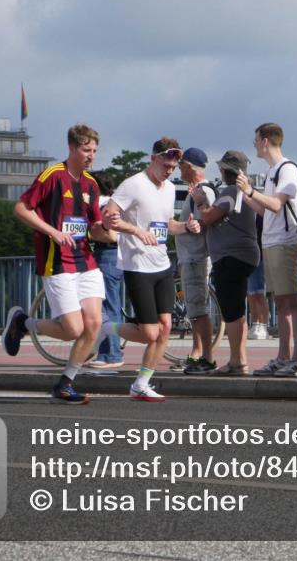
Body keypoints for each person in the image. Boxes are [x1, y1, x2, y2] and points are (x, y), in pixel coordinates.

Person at [3, 124, 111, 405]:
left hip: (86, 261)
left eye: (95, 150)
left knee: (94, 324)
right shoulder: (52, 176)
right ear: (73, 148)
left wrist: (108, 230)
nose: (91, 155)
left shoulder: (91, 184)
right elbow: (20, 209)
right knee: (73, 330)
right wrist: (52, 231)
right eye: (86, 149)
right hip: (57, 261)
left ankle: (65, 384)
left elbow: (95, 227)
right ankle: (23, 322)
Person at [101, 138, 200, 401]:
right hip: (137, 265)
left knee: (165, 326)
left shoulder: (169, 189)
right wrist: (135, 230)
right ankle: (104, 327)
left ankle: (141, 383)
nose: (169, 170)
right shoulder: (133, 185)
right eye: (166, 165)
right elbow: (108, 218)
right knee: (149, 333)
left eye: (174, 166)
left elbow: (168, 225)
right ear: (153, 158)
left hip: (161, 264)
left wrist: (187, 227)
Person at [237, 123, 297, 377]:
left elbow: (276, 205)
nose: (254, 144)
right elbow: (265, 211)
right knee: (282, 301)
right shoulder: (272, 171)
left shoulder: (287, 171)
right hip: (271, 240)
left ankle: (295, 358)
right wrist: (247, 196)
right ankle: (284, 356)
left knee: (291, 300)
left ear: (265, 141)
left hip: (284, 241)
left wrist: (251, 191)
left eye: (256, 140)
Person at [194, 150, 260, 375]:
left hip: (231, 256)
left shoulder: (231, 191)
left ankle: (236, 361)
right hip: (245, 255)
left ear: (227, 170)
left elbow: (209, 217)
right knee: (238, 311)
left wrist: (202, 203)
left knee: (231, 312)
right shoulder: (247, 191)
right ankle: (239, 359)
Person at [173, 148, 218, 374]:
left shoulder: (203, 191)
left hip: (196, 257)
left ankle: (206, 357)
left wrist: (192, 227)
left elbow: (206, 221)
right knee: (195, 310)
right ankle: (198, 353)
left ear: (190, 167)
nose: (178, 169)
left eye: (181, 165)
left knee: (199, 310)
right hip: (192, 257)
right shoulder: (197, 190)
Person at [88, 170, 124, 369]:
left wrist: (88, 235)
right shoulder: (115, 202)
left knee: (107, 306)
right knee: (111, 304)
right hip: (120, 256)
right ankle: (110, 349)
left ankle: (111, 354)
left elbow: (111, 236)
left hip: (107, 255)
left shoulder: (101, 204)